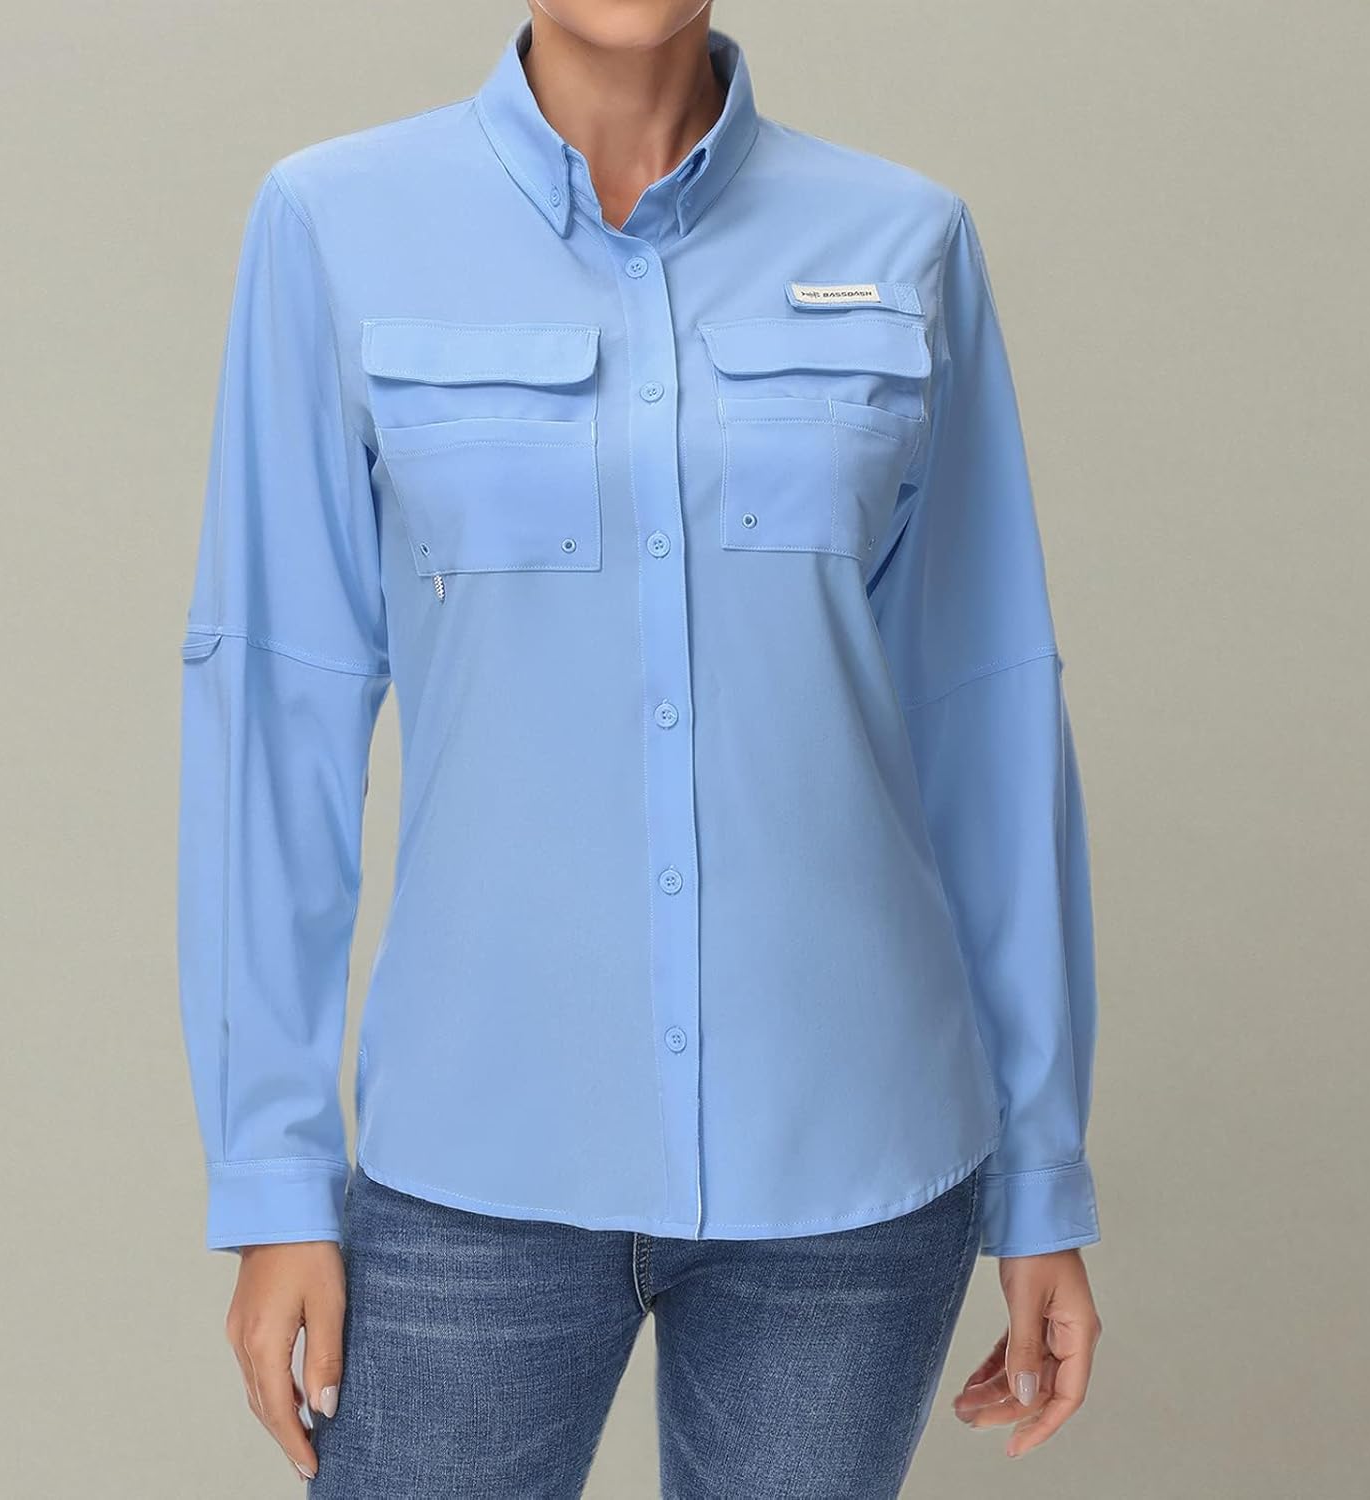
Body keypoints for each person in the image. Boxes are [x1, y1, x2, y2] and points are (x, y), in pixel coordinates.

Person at [176, 4, 1105, 1494]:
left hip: (854, 1165)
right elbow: (276, 712)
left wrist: (1043, 1176)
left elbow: (985, 713)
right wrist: (273, 1177)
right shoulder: (333, 226)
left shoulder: (909, 237)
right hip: (477, 1154)